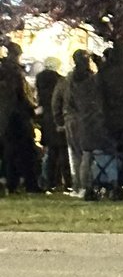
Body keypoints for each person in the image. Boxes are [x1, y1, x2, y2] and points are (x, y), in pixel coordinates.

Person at [62, 49, 109, 198]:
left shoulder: (70, 78)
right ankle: (85, 186)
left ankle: (77, 186)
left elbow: (64, 99)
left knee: (76, 155)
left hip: (71, 118)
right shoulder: (91, 79)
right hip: (86, 119)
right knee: (86, 154)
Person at [96, 41, 123, 197]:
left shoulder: (103, 73)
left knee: (109, 153)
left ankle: (112, 182)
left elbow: (98, 96)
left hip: (108, 120)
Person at [0, 42, 39, 193]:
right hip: (17, 117)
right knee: (26, 152)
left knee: (10, 153)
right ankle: (29, 184)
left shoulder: (4, 70)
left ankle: (12, 183)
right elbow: (22, 95)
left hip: (5, 117)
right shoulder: (14, 72)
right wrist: (32, 109)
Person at [35, 57, 68, 191]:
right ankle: (64, 180)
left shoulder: (39, 79)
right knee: (63, 151)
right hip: (58, 117)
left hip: (46, 118)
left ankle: (49, 180)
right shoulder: (60, 80)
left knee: (51, 151)